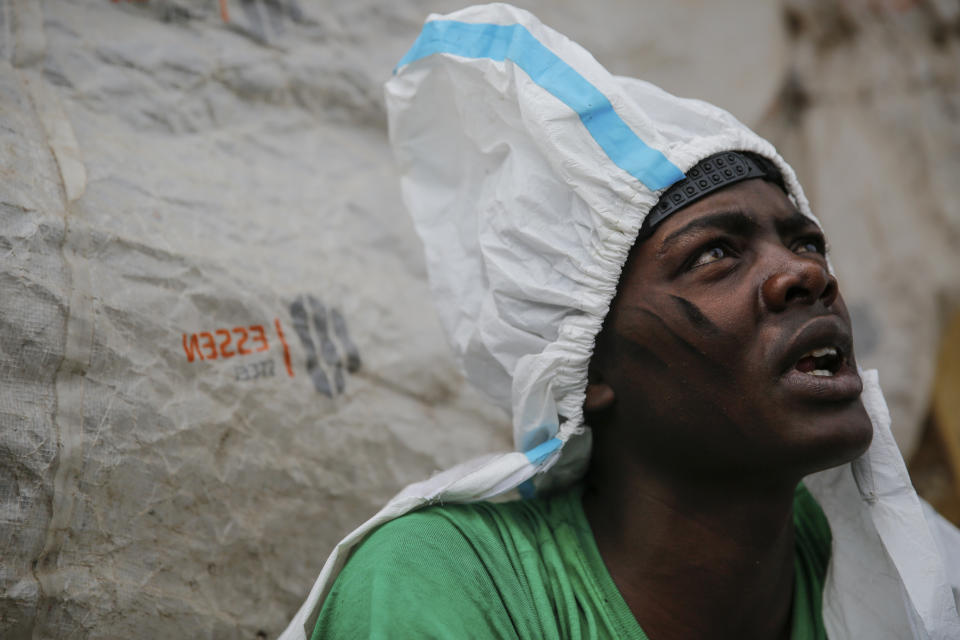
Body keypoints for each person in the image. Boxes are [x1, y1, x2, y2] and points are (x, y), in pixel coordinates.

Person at [280, 5, 960, 639]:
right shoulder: (438, 584)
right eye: (716, 253)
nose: (806, 274)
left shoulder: (898, 567)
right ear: (587, 366)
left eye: (805, 240)